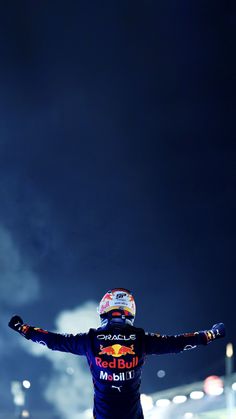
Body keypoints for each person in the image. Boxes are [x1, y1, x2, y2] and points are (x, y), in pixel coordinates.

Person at [9, 288, 225, 419]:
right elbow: (177, 343)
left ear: (104, 309)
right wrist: (209, 335)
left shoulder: (90, 339)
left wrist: (24, 329)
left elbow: (55, 341)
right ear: (130, 310)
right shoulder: (141, 338)